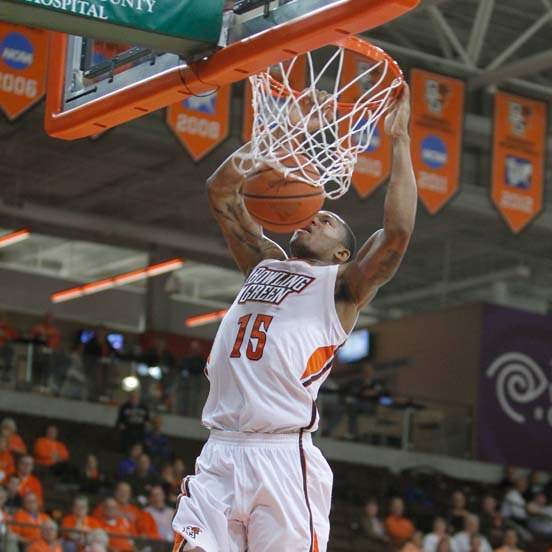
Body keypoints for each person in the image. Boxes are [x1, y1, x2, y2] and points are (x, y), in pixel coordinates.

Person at [171, 86, 416, 552]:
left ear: (343, 252)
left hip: (282, 457)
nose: (313, 219)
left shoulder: (342, 288)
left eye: (326, 221)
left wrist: (399, 140)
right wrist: (282, 134)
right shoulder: (263, 261)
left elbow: (398, 233)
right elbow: (221, 191)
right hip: (220, 451)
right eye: (313, 214)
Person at [0, 312, 18, 382]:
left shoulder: (8, 329)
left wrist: (6, 336)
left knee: (10, 350)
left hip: (4, 348)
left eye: (3, 320)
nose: (2, 321)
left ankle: (6, 374)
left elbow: (14, 337)